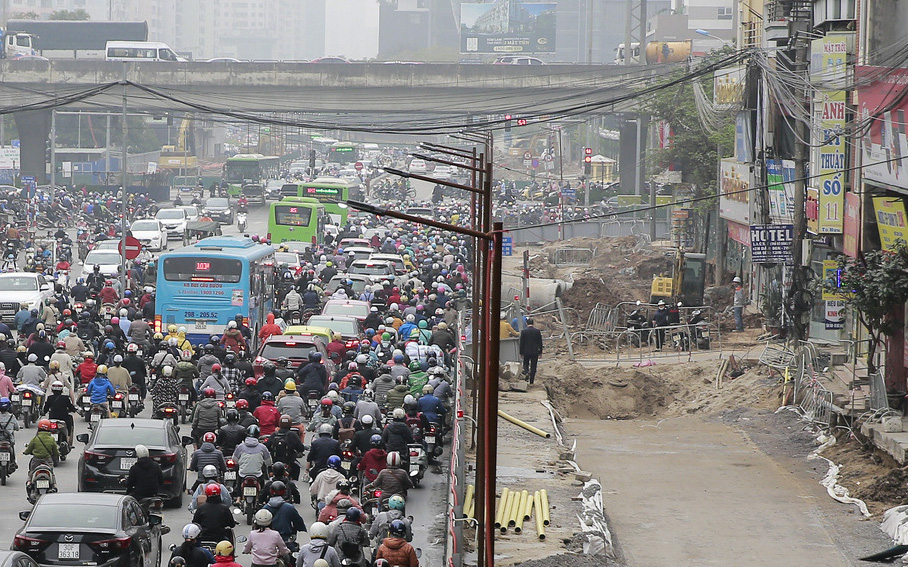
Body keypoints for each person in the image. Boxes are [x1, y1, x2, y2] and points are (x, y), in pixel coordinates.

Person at [261, 480, 307, 545]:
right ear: (284, 492)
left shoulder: (265, 509)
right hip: (286, 540)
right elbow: (298, 521)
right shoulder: (289, 507)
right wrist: (301, 528)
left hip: (269, 541)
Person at [518, 318, 543, 384]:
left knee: (525, 363)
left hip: (526, 351)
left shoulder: (524, 332)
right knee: (533, 366)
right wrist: (540, 352)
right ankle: (531, 381)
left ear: (527, 323)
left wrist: (521, 352)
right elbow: (540, 342)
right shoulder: (537, 331)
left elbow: (522, 343)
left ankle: (526, 372)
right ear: (533, 323)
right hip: (535, 351)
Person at [0, 397, 19, 469]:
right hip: (9, 440)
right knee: (12, 450)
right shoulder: (12, 417)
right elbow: (17, 427)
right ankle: (13, 462)